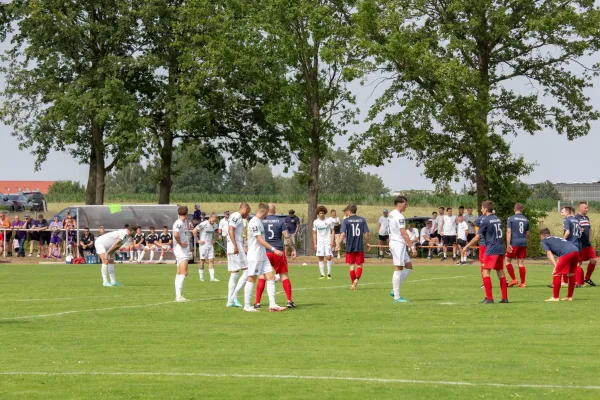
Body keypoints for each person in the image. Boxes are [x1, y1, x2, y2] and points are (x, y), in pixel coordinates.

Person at [242, 202, 287, 313]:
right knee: (252, 278)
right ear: (265, 211)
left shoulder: (260, 222)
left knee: (270, 277)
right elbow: (260, 240)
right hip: (255, 256)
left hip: (262, 255)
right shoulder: (254, 222)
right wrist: (274, 249)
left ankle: (272, 305)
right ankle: (247, 306)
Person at [463, 201, 509, 304]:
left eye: (482, 208)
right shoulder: (497, 219)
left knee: (485, 271)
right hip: (500, 248)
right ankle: (504, 298)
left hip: (491, 249)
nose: (481, 210)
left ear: (486, 209)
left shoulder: (486, 220)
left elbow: (477, 237)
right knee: (500, 272)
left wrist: (467, 246)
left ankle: (489, 298)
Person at [255, 203, 297, 309]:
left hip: (265, 252)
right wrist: (293, 249)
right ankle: (289, 301)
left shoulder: (260, 221)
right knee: (284, 276)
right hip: (278, 251)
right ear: (275, 210)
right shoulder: (280, 221)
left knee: (262, 276)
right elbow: (287, 236)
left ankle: (257, 302)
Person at [388, 196, 417, 303]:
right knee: (398, 267)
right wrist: (412, 247)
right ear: (399, 204)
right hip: (398, 243)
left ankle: (394, 290)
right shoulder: (399, 216)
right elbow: (403, 233)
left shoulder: (391, 214)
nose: (406, 206)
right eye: (405, 204)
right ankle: (397, 296)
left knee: (409, 266)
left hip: (396, 242)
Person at [336, 204, 370, 290]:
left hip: (350, 246)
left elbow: (343, 233)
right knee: (359, 265)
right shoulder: (362, 220)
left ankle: (353, 284)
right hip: (359, 246)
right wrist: (368, 242)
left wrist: (338, 244)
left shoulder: (346, 221)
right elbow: (366, 233)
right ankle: (356, 280)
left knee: (351, 266)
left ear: (349, 211)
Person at [541, 228, 579, 302]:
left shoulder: (544, 240)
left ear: (543, 235)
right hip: (576, 251)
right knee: (571, 274)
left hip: (567, 253)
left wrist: (555, 265)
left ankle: (555, 297)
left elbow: (549, 253)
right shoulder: (556, 238)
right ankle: (569, 297)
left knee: (557, 274)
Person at [226, 203, 251, 308]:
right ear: (244, 208)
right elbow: (231, 229)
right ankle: (233, 297)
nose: (248, 214)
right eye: (248, 211)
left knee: (234, 272)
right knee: (248, 271)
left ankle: (229, 300)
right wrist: (235, 245)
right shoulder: (237, 216)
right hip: (236, 247)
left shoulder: (236, 216)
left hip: (233, 247)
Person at [505, 203, 529, 288]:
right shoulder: (526, 219)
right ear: (522, 210)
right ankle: (523, 283)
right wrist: (524, 240)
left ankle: (514, 279)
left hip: (514, 242)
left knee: (507, 261)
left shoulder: (511, 218)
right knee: (521, 263)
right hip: (523, 242)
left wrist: (508, 244)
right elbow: (527, 233)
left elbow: (509, 231)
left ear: (514, 209)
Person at [575, 202, 597, 287]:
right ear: (580, 208)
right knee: (578, 263)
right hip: (580, 244)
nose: (587, 209)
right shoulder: (576, 218)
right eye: (585, 208)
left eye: (587, 208)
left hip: (588, 244)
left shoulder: (586, 218)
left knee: (594, 260)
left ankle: (587, 278)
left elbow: (589, 228)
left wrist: (590, 237)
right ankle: (577, 282)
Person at [193, 213, 219, 282]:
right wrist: (198, 240)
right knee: (202, 260)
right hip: (203, 245)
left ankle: (212, 278)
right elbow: (194, 231)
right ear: (210, 218)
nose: (213, 223)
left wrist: (214, 239)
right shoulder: (204, 224)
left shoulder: (215, 225)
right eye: (212, 221)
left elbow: (217, 232)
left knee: (211, 260)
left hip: (210, 245)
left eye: (215, 221)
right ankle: (201, 277)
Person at [172, 206, 191, 302]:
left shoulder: (181, 222)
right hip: (181, 250)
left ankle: (178, 295)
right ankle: (178, 296)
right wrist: (181, 244)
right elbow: (176, 235)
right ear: (186, 213)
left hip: (180, 250)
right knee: (184, 272)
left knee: (179, 272)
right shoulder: (179, 223)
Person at [313, 205, 335, 279]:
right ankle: (322, 274)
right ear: (318, 214)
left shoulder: (329, 220)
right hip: (320, 242)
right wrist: (315, 243)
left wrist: (332, 241)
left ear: (325, 213)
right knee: (320, 257)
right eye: (320, 213)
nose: (321, 214)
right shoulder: (315, 222)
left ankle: (329, 274)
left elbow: (333, 231)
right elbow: (314, 233)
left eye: (322, 213)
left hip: (328, 242)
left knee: (328, 257)